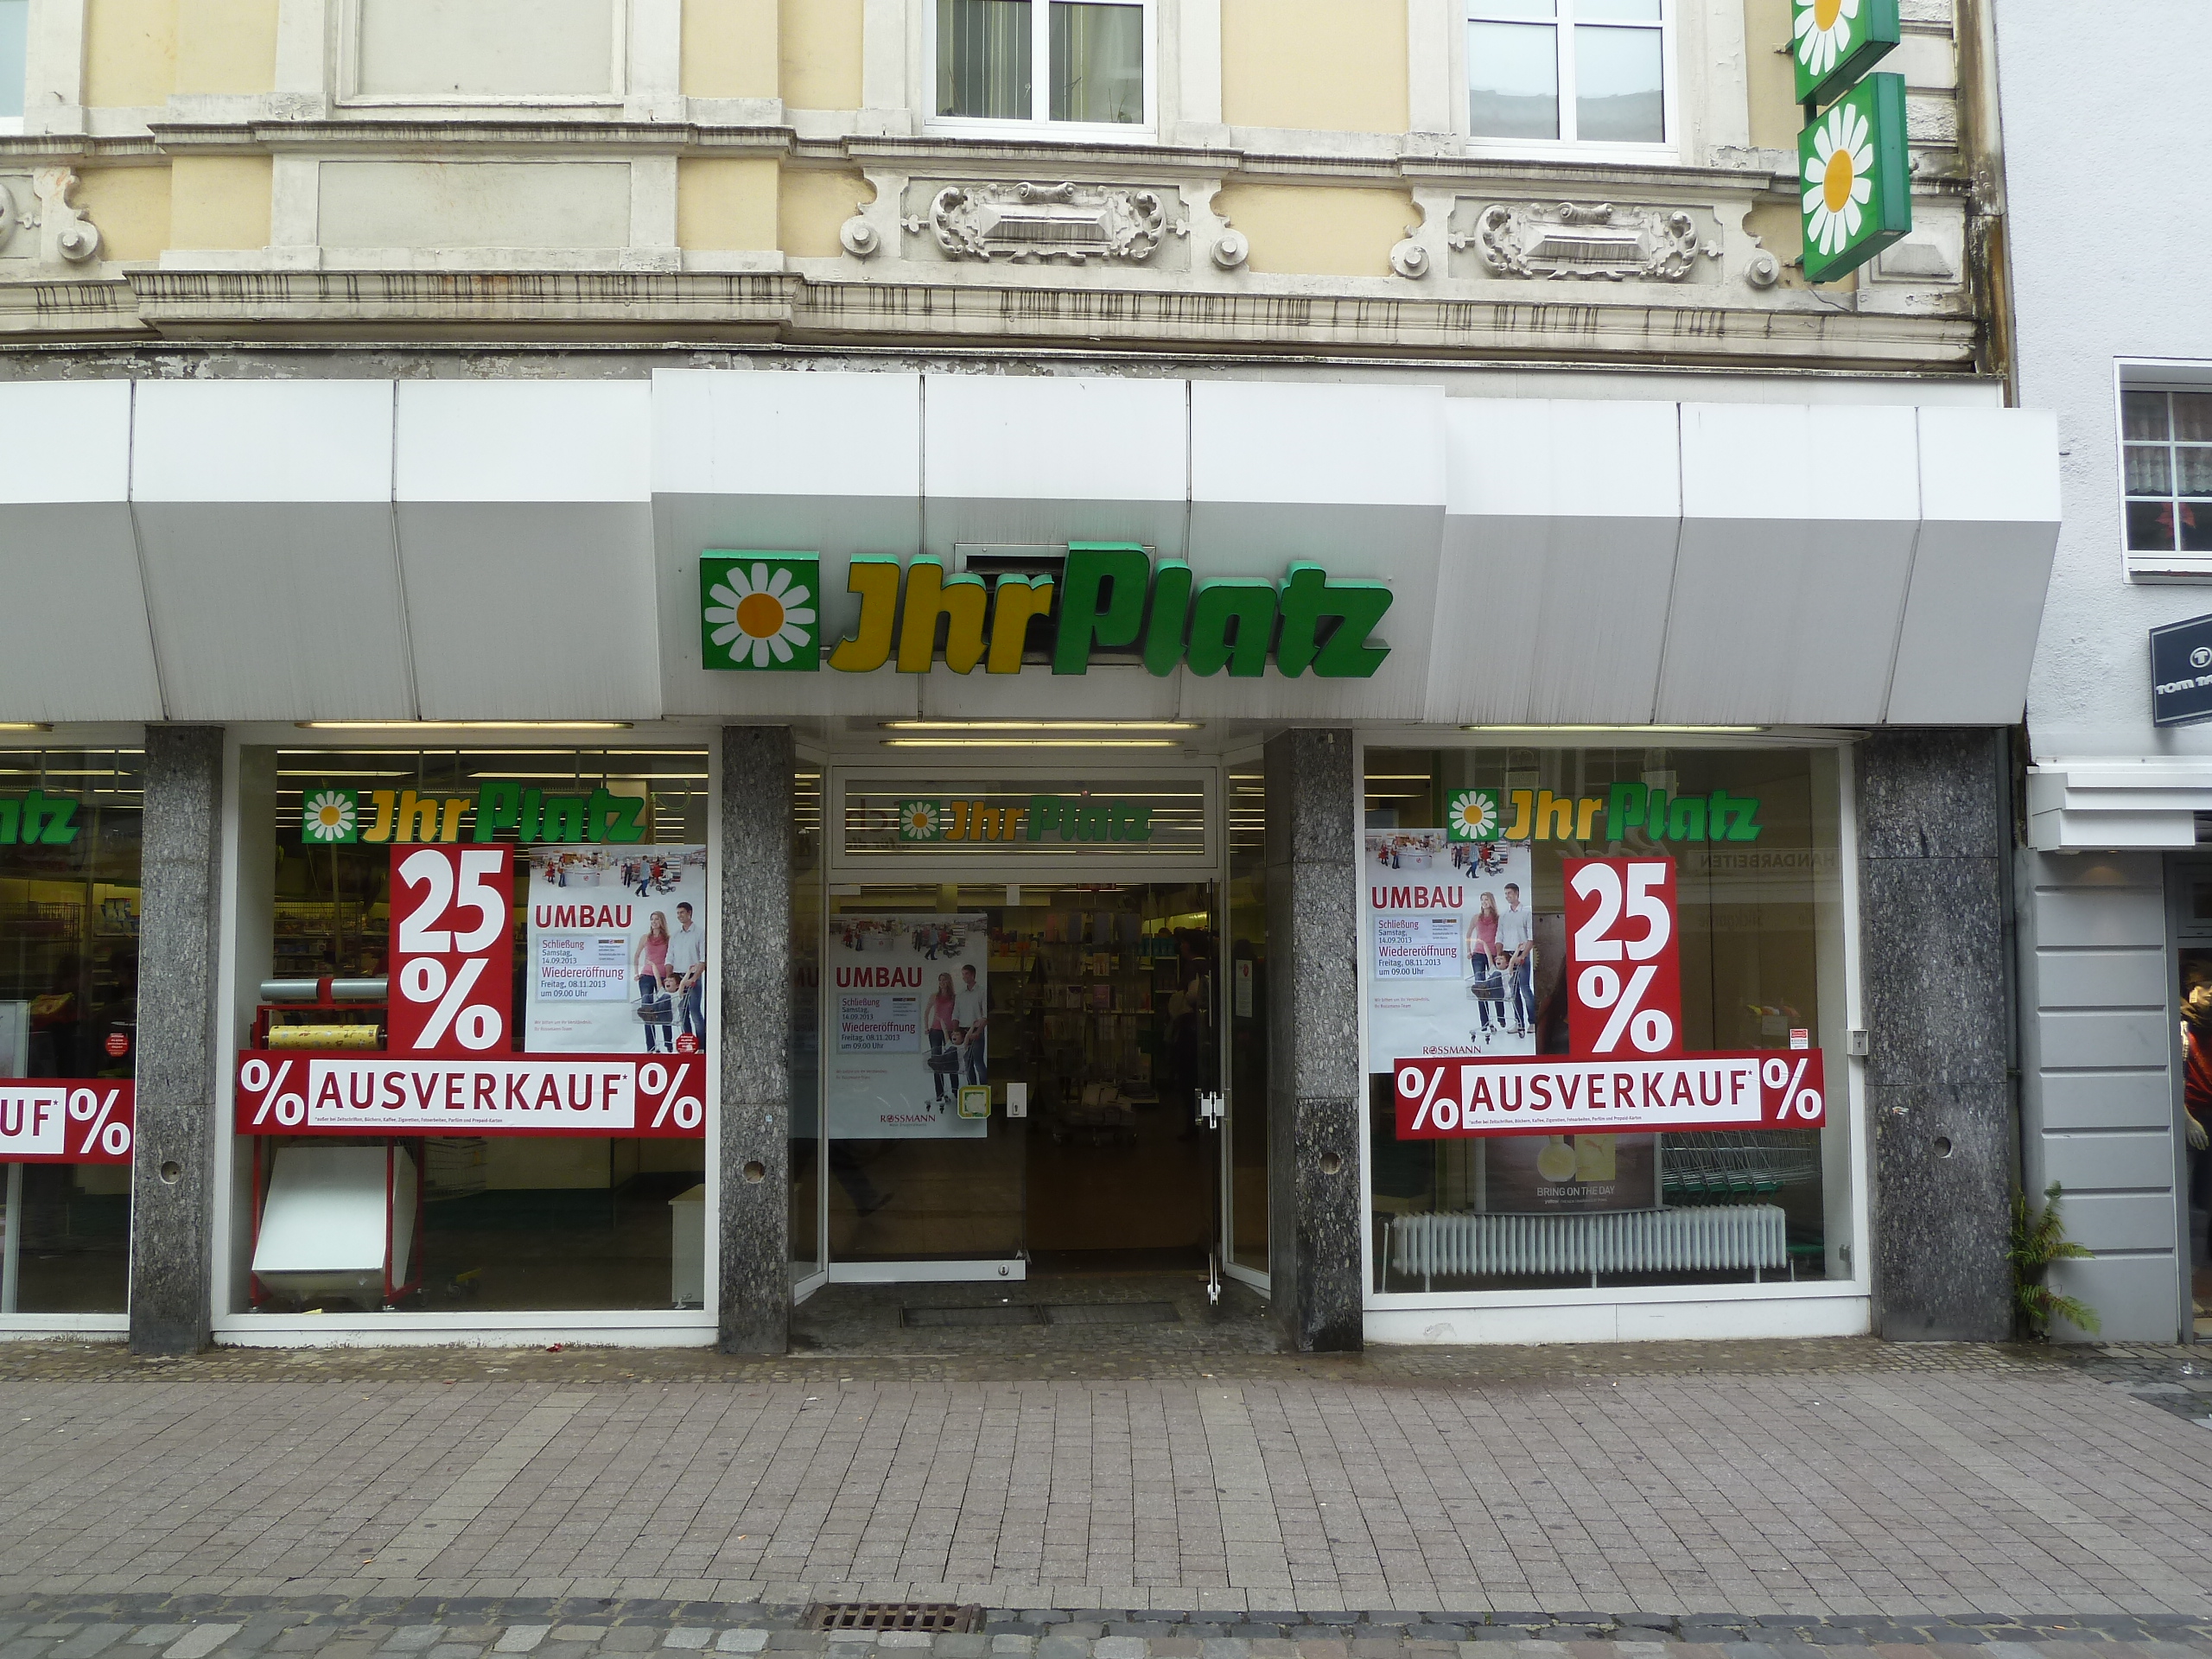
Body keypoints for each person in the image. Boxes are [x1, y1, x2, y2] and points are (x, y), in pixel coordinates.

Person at [2183, 985, 2212, 1268]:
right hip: (2192, 1116)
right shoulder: (2182, 1029)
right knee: (2187, 1198)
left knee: (2205, 1200)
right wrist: (2186, 1119)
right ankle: (2188, 1274)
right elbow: (2168, 1076)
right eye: (2207, 987)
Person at [1495, 880, 1535, 1039]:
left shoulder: (1526, 913)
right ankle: (1519, 1023)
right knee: (1513, 991)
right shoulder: (1504, 915)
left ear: (1517, 894)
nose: (1507, 896)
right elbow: (1499, 936)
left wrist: (1523, 956)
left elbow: (1531, 938)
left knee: (1525, 988)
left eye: (1509, 893)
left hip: (1522, 954)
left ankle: (1532, 1022)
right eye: (1505, 894)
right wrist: (1499, 955)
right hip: (1507, 954)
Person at [667, 899, 707, 1046]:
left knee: (695, 1012)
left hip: (692, 976)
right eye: (678, 913)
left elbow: (703, 958)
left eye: (682, 912)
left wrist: (695, 978)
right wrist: (669, 978)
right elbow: (669, 957)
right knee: (682, 1013)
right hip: (678, 977)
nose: (679, 915)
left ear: (690, 913)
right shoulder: (675, 935)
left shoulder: (700, 933)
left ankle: (701, 1046)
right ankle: (687, 1045)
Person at [632, 912, 672, 1052]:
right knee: (647, 1011)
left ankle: (668, 1044)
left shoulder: (668, 939)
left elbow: (671, 958)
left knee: (664, 1009)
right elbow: (637, 955)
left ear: (662, 921)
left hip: (662, 976)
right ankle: (651, 1047)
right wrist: (636, 973)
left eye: (657, 919)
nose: (654, 922)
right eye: (652, 919)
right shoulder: (645, 938)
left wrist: (670, 976)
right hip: (647, 976)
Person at [1466, 891, 1502, 1046]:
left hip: (1493, 954)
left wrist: (1500, 955)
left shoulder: (1498, 918)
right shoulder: (1476, 918)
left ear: (1491, 901)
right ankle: (1485, 1022)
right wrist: (1469, 950)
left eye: (1486, 899)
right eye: (1482, 900)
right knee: (1480, 987)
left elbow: (1501, 936)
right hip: (1479, 954)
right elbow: (1468, 934)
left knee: (1496, 985)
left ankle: (1500, 1016)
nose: (1484, 902)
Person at [952, 962, 988, 1086]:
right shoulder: (961, 994)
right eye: (963, 974)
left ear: (973, 974)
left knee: (978, 1062)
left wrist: (978, 1032)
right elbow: (955, 1014)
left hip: (976, 1029)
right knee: (967, 1062)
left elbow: (985, 1016)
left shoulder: (981, 991)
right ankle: (972, 1088)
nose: (964, 977)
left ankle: (984, 1089)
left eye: (966, 974)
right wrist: (955, 1032)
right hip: (963, 1030)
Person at [925, 970, 957, 1103]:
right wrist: (926, 1027)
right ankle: (939, 1093)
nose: (942, 982)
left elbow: (957, 1014)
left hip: (949, 1031)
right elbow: (926, 1012)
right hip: (935, 1031)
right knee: (937, 1062)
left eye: (944, 980)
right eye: (940, 980)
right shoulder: (934, 996)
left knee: (952, 1060)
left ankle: (955, 1090)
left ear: (949, 981)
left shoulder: (954, 997)